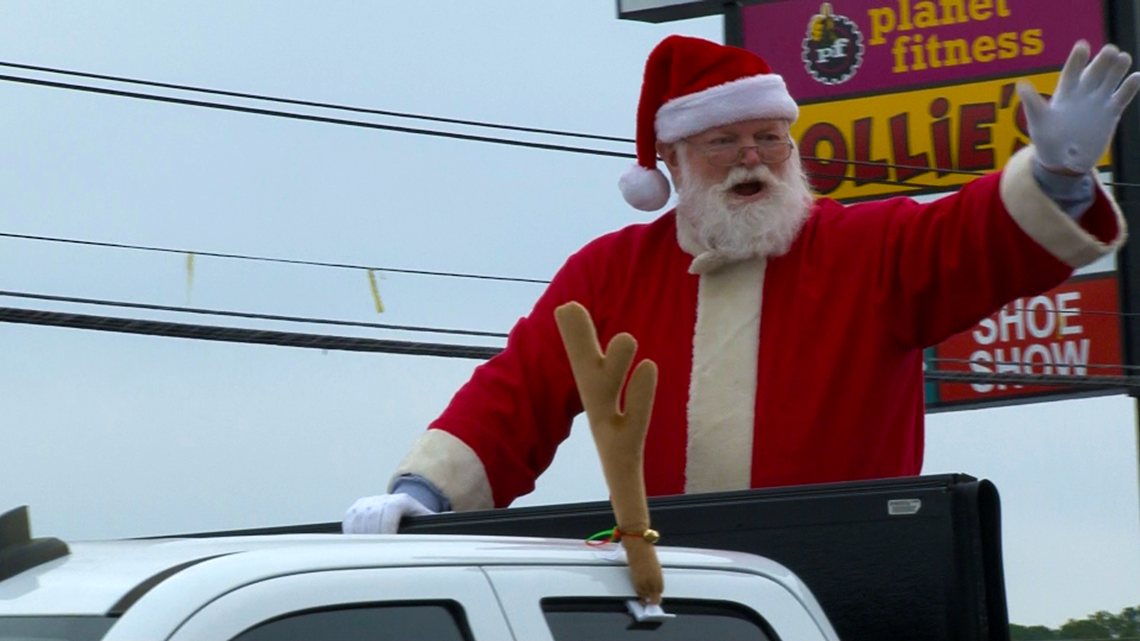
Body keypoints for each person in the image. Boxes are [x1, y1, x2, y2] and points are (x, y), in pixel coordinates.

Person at [343, 34, 1138, 534]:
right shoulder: (608, 274)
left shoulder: (869, 248)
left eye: (770, 137)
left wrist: (1061, 175)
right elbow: (512, 396)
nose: (754, 157)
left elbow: (974, 238)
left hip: (852, 581)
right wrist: (425, 493)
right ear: (672, 165)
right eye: (724, 140)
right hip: (675, 596)